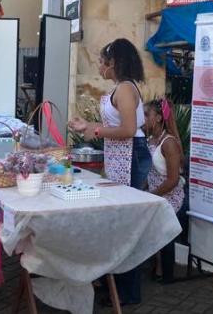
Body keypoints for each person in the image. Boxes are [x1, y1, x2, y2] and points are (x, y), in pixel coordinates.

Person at [68, 38, 152, 306]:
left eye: (102, 62)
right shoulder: (120, 88)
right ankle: (115, 284)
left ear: (113, 62)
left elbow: (127, 130)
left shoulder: (125, 90)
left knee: (125, 223)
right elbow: (115, 124)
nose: (100, 68)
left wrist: (97, 130)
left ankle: (128, 292)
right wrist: (87, 126)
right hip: (121, 156)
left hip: (131, 157)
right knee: (118, 221)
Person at [144, 97, 185, 283]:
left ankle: (165, 271)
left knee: (162, 231)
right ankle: (157, 266)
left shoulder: (169, 143)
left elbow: (173, 180)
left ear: (159, 117)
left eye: (147, 114)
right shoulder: (151, 139)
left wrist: (152, 196)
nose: (143, 118)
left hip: (170, 196)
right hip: (155, 193)